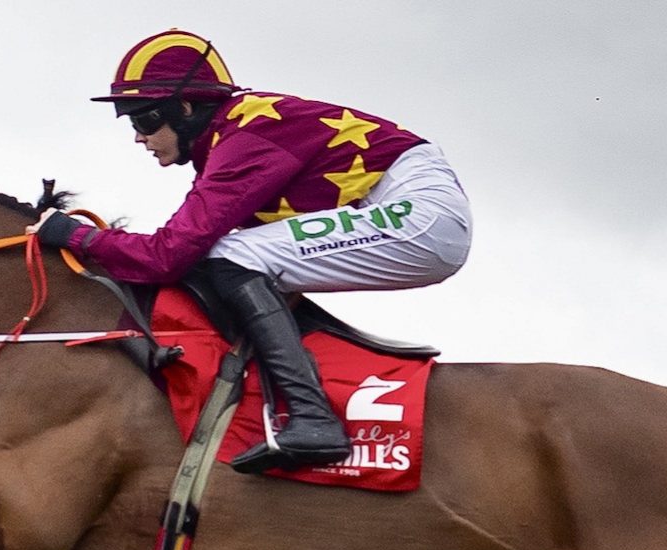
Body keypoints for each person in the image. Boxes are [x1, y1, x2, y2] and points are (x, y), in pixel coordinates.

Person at [32, 30, 472, 473]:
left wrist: (77, 237)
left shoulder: (248, 137)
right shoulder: (231, 137)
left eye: (144, 120)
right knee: (231, 257)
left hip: (421, 212)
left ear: (186, 108)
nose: (137, 138)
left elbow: (170, 254)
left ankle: (313, 416)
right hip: (404, 203)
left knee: (230, 256)